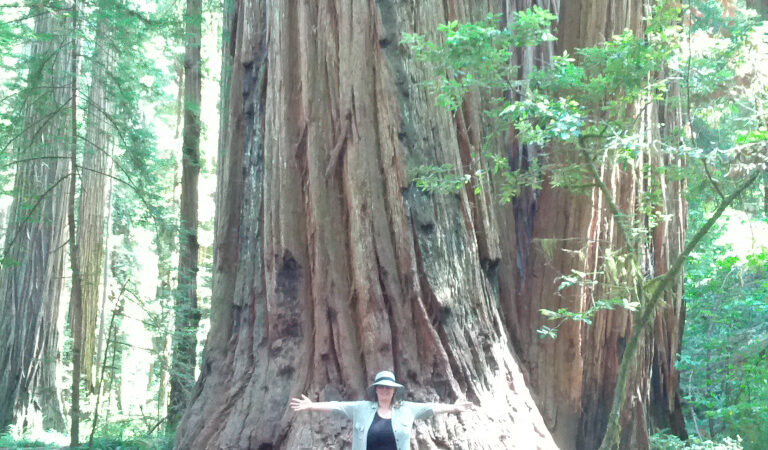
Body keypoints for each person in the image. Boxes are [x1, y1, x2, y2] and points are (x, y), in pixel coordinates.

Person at [290, 370, 477, 450]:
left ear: (394, 390)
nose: (385, 390)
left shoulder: (407, 409)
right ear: (376, 390)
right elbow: (337, 406)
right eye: (381, 387)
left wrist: (454, 408)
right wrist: (311, 405)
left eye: (389, 387)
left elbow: (432, 408)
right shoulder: (362, 408)